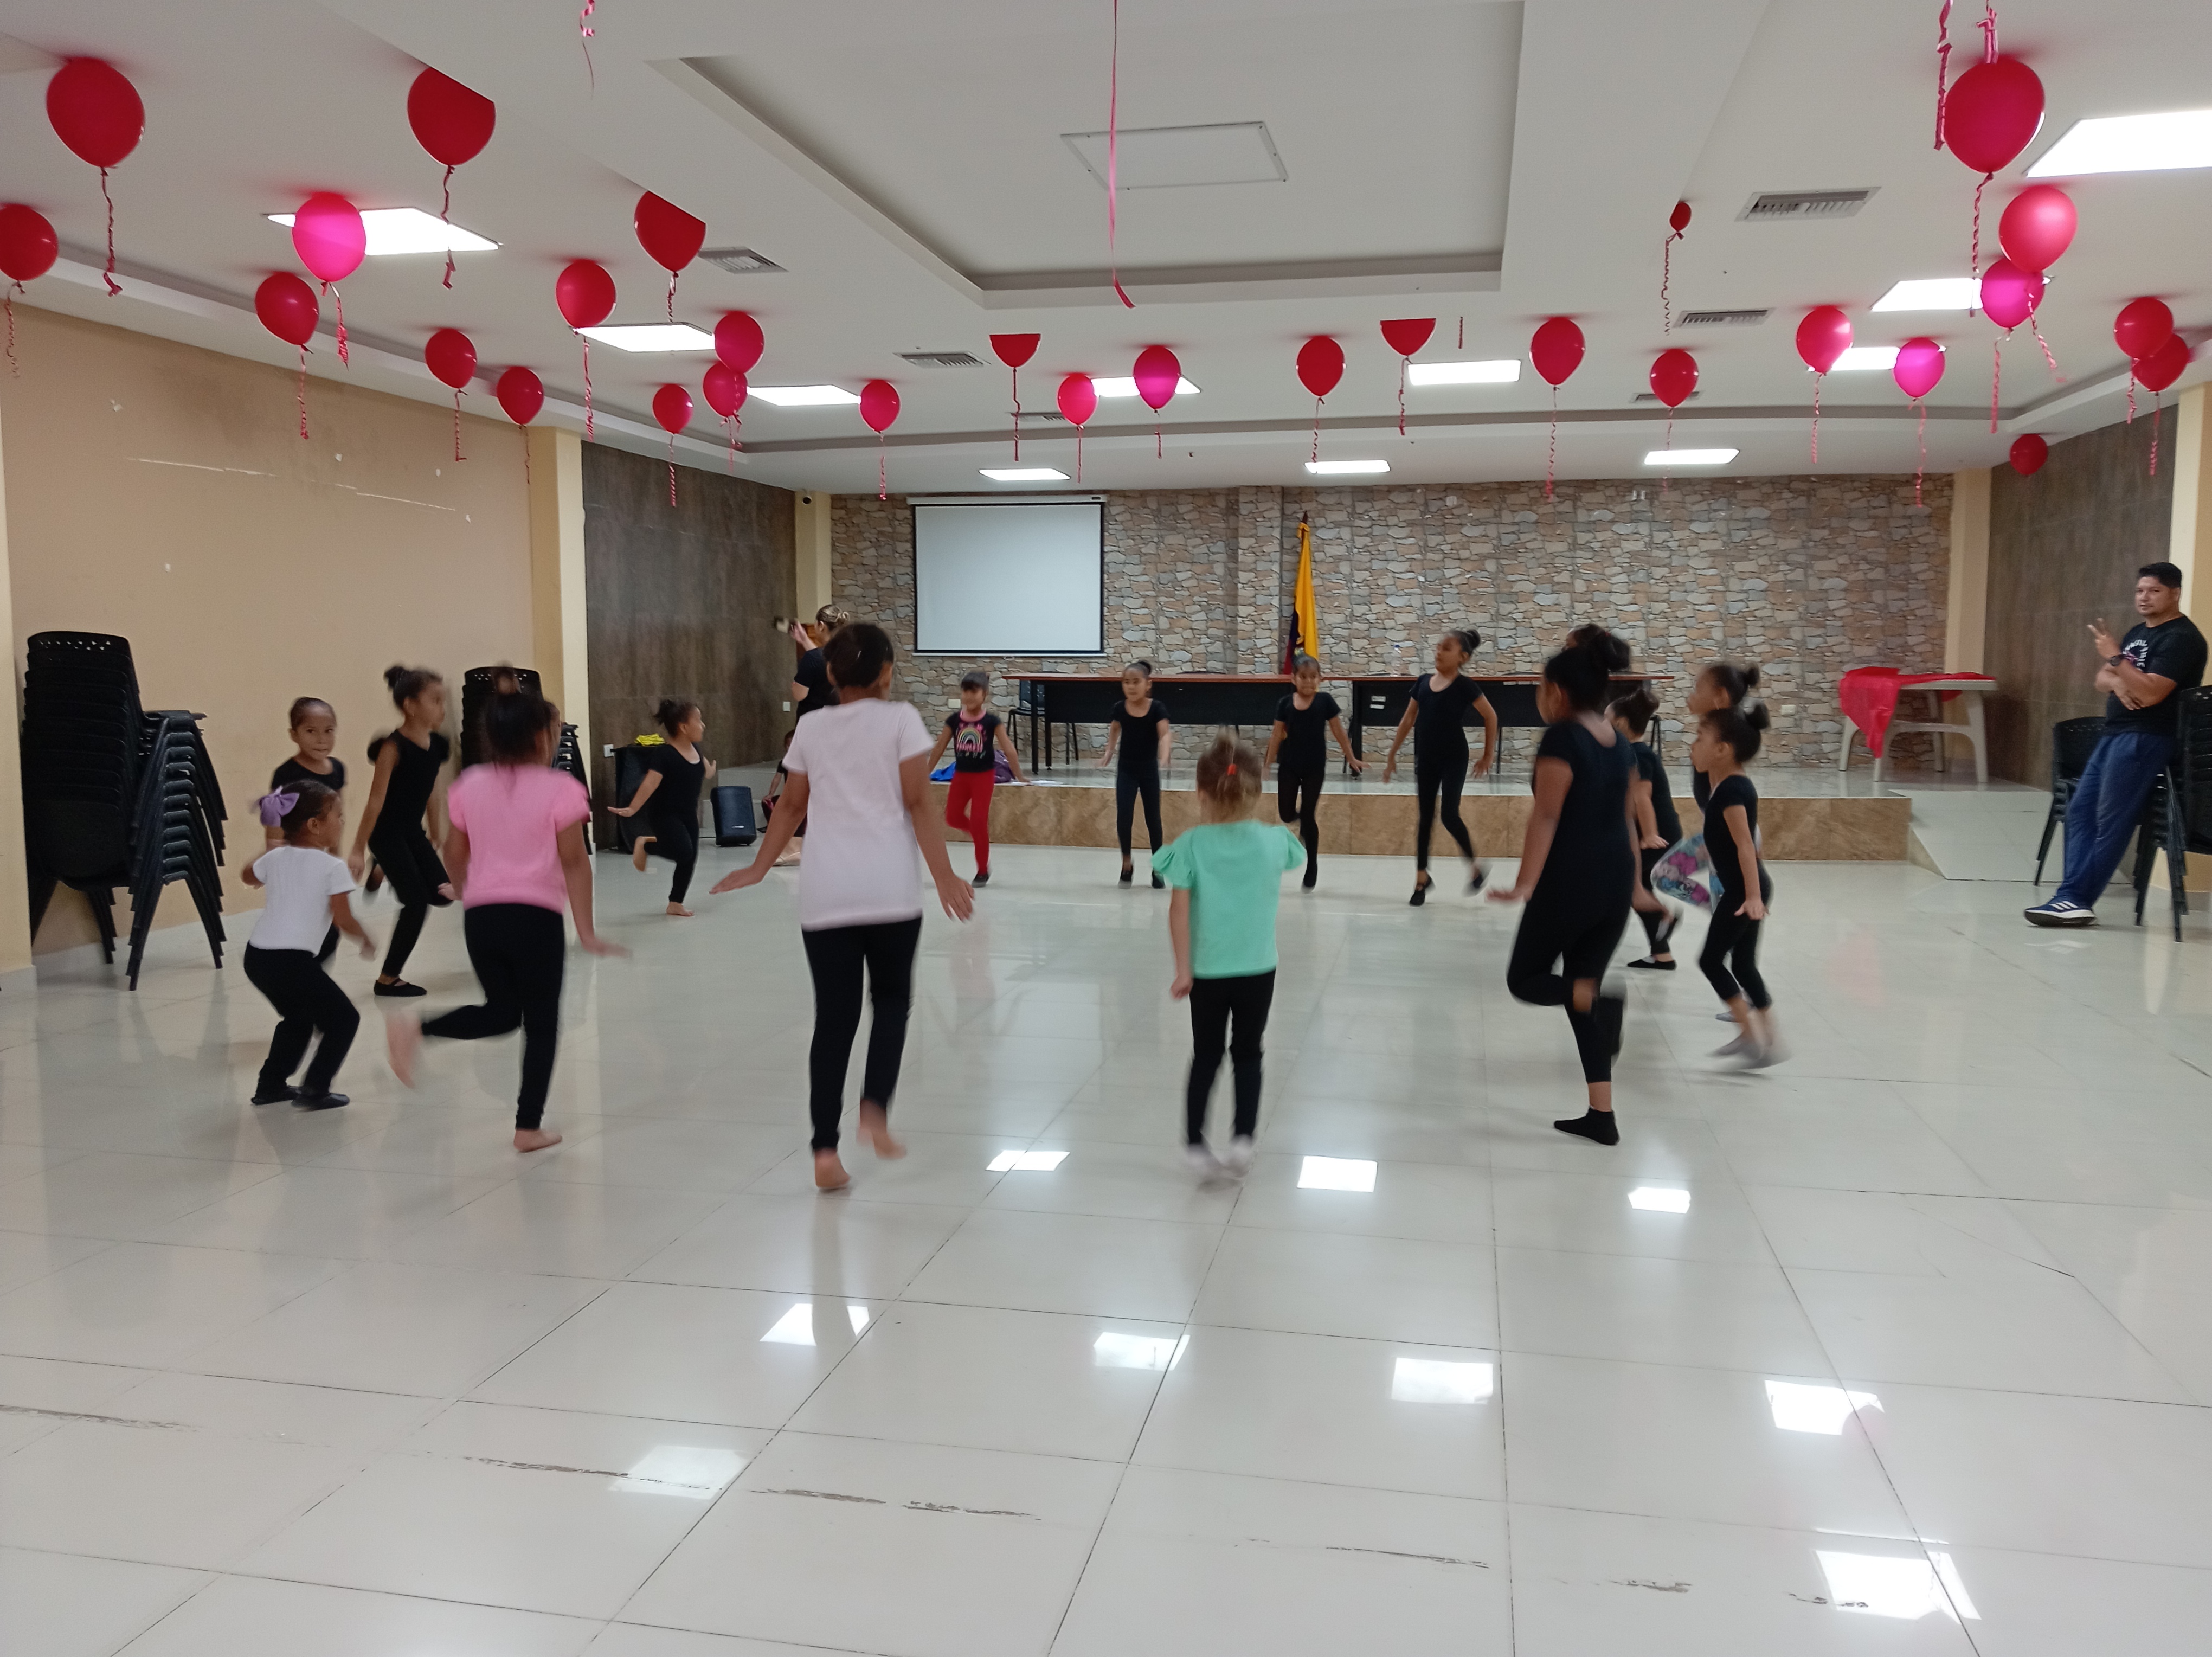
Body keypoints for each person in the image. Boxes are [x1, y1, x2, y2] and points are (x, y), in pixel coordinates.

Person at [712, 622, 974, 1191]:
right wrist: (945, 876)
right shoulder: (902, 720)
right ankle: (874, 1107)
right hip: (889, 890)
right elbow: (918, 804)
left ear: (830, 673)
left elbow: (789, 807)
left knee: (834, 1019)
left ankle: (825, 1152)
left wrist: (759, 867)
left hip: (826, 891)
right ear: (886, 674)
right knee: (892, 1002)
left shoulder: (811, 726)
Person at [386, 676, 621, 1153]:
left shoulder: (469, 785)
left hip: (483, 919)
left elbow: (455, 853)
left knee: (501, 1013)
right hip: (535, 920)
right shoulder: (561, 789)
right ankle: (527, 1127)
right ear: (542, 738)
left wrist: (466, 890)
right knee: (540, 1024)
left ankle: (418, 1028)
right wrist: (586, 931)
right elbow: (575, 862)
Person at [1488, 630, 1641, 1146]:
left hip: (1570, 886)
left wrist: (1524, 884)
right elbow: (1626, 821)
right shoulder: (1620, 743)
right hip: (1613, 887)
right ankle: (1602, 1115)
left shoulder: (1562, 738)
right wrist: (1637, 888)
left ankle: (1598, 1000)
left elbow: (1547, 815)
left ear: (1556, 691)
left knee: (1526, 980)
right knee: (1581, 996)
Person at [2026, 562, 2209, 927]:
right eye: (2140, 590)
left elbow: (2152, 692)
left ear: (2175, 593)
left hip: (2148, 737)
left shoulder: (2182, 638)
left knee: (2111, 820)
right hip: (2115, 733)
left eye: (2154, 591)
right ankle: (2071, 896)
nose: (2144, 597)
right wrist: (2119, 679)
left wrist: (2116, 660)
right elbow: (2102, 680)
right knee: (2081, 812)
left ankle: (2076, 899)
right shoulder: (2138, 633)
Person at [1156, 733, 1306, 1179]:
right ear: (1257, 791)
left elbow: (1178, 912)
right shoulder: (1275, 842)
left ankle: (1194, 1143)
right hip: (1259, 968)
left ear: (1200, 793)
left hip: (1207, 971)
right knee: (1248, 1053)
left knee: (1206, 1055)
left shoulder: (1190, 846)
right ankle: (1243, 1137)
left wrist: (1183, 969)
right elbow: (1295, 857)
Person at [242, 781, 374, 1110]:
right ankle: (316, 1088)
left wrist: (274, 848)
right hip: (292, 962)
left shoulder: (276, 857)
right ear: (314, 825)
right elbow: (343, 919)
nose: (342, 822)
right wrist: (365, 939)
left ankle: (270, 1086)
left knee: (298, 1017)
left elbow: (247, 876)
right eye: (338, 816)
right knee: (344, 1019)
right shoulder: (333, 867)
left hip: (257, 958)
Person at [349, 666, 453, 997]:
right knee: (416, 903)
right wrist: (357, 849)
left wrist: (436, 831)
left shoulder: (436, 745)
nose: (442, 708)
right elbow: (375, 802)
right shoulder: (392, 748)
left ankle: (384, 869)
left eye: (443, 701)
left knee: (443, 893)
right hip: (386, 835)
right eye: (435, 700)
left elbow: (433, 791)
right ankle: (388, 979)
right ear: (410, 706)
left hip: (412, 832)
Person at [1381, 628, 1499, 905]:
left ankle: (1475, 867)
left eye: (1446, 648)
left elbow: (1491, 716)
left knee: (1449, 815)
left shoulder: (1465, 686)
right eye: (1438, 647)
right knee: (1425, 817)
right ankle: (1421, 878)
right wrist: (1392, 753)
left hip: (1454, 758)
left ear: (1462, 657)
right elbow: (1408, 719)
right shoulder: (1423, 682)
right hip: (1427, 758)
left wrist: (1487, 755)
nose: (1438, 652)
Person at [1694, 705, 1784, 1065]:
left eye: (1700, 738)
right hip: (1749, 886)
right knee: (1744, 966)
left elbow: (1746, 844)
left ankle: (1749, 1035)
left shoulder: (1731, 790)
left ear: (1722, 750)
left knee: (1711, 960)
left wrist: (1752, 897)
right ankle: (1770, 1040)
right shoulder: (1732, 784)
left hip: (1745, 891)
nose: (1693, 746)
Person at [247, 696, 348, 963]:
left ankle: (311, 972)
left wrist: (336, 857)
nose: (321, 739)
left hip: (320, 861)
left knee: (329, 925)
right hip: (295, 860)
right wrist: (273, 857)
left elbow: (337, 814)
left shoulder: (337, 768)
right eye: (311, 731)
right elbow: (275, 816)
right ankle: (299, 969)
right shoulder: (287, 773)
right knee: (302, 918)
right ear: (294, 735)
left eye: (328, 731)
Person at [1264, 653, 1365, 889]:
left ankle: (1312, 865)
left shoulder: (1325, 701)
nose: (1308, 682)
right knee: (1286, 814)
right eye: (1303, 677)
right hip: (1289, 765)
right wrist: (1267, 763)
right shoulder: (1285, 704)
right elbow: (1277, 735)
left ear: (1320, 678)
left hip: (1314, 767)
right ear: (1294, 678)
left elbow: (1339, 731)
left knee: (1309, 815)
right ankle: (1301, 823)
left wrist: (1350, 757)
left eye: (1313, 677)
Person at [610, 699, 716, 916]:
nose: (703, 725)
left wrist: (710, 770)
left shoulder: (696, 750)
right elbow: (649, 784)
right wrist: (632, 809)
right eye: (698, 720)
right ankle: (646, 845)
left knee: (689, 859)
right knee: (684, 852)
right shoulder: (664, 755)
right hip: (664, 814)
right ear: (684, 727)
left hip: (688, 814)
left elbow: (703, 768)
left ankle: (675, 903)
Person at [927, 669, 1028, 885]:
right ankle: (978, 834)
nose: (969, 696)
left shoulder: (992, 721)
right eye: (965, 691)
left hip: (983, 777)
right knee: (952, 818)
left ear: (985, 695)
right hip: (961, 776)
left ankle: (982, 870)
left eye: (974, 692)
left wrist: (1020, 776)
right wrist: (926, 773)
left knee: (979, 821)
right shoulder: (954, 721)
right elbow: (938, 748)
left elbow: (1009, 750)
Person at [1611, 685, 1683, 970]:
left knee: (1630, 887)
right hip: (1656, 834)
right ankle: (1662, 954)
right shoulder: (1635, 752)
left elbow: (1642, 797)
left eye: (1606, 721)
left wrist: (1650, 834)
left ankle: (1666, 916)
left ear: (1620, 724)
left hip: (1656, 836)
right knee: (1637, 887)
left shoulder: (1638, 754)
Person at [777, 606, 850, 869]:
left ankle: (792, 848)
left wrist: (795, 685)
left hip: (813, 731)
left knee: (796, 790)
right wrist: (804, 641)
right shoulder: (849, 656)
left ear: (820, 626)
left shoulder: (812, 659)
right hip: (840, 730)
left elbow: (800, 694)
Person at [1098, 659, 1171, 888]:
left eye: (1136, 682)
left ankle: (1158, 867)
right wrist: (1110, 751)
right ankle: (1127, 863)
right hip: (1127, 770)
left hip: (1148, 770)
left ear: (1148, 684)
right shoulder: (1120, 708)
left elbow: (1165, 734)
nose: (1131, 686)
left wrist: (1164, 755)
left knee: (1153, 818)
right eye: (1126, 682)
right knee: (1124, 816)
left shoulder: (1157, 708)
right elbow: (1115, 727)